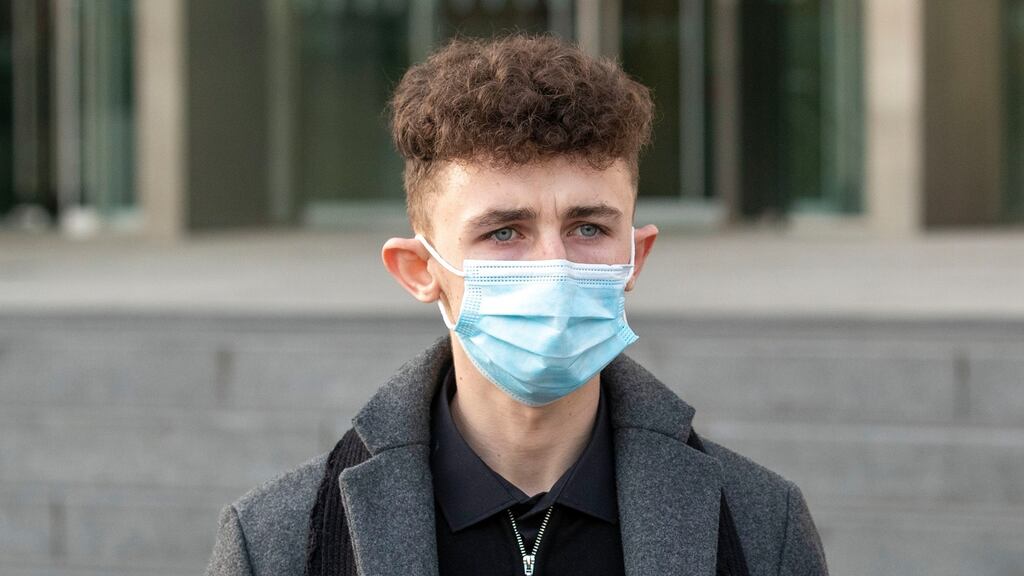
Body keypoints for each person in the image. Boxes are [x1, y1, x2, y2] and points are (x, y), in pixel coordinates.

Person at [206, 34, 828, 576]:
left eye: (588, 228)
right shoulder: (279, 543)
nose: (551, 266)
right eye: (504, 232)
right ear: (420, 270)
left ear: (634, 259)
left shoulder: (757, 525)